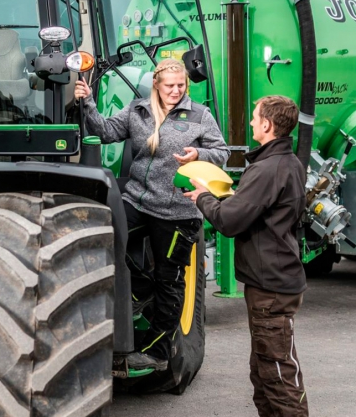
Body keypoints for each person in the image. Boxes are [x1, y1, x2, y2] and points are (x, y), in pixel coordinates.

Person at [75, 58, 229, 371]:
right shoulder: (137, 111)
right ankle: (141, 288)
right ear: (156, 85)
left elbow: (222, 153)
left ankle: (159, 353)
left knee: (169, 280)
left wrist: (199, 153)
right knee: (105, 235)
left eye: (181, 86)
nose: (176, 91)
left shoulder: (199, 115)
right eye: (169, 86)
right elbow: (104, 132)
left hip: (178, 210)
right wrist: (87, 101)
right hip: (138, 200)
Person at [185, 95, 309, 416]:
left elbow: (229, 221)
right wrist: (227, 195)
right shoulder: (286, 163)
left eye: (255, 118)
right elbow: (253, 209)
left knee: (278, 375)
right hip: (273, 279)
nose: (252, 122)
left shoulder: (268, 169)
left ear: (267, 125)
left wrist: (203, 196)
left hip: (271, 286)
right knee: (264, 372)